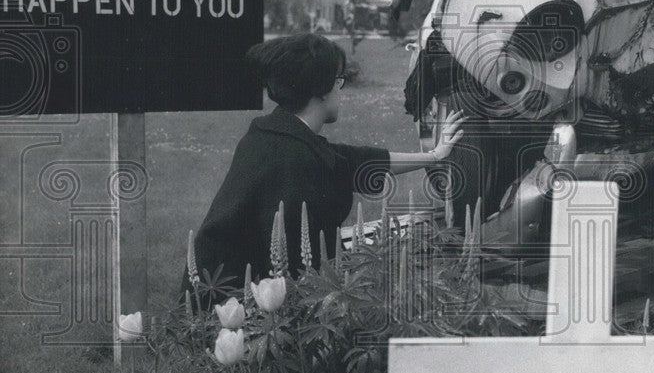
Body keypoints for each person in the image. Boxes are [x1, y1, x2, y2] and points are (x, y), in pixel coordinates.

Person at [187, 33, 465, 290]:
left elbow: (354, 159)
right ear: (320, 90)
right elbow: (301, 271)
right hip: (230, 312)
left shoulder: (272, 133)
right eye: (338, 82)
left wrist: (435, 155)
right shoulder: (293, 162)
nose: (340, 91)